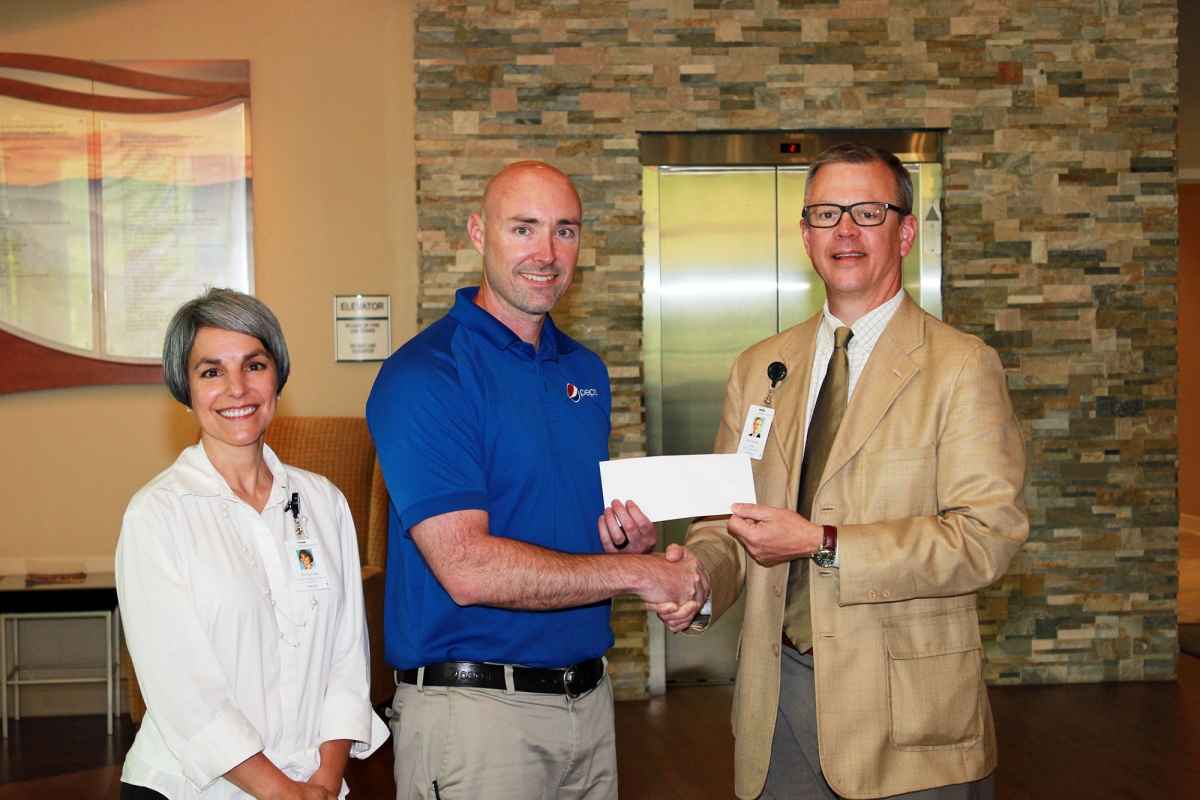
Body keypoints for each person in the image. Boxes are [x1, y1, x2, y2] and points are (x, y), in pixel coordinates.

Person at [661, 143, 1028, 799]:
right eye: (827, 214)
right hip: (777, 706)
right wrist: (697, 580)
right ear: (805, 234)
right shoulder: (758, 368)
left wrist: (823, 544)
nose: (846, 232)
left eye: (868, 211)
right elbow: (724, 521)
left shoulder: (962, 367)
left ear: (906, 231)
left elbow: (986, 538)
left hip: (909, 720)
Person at [367, 160, 709, 800]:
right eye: (523, 229)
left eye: (565, 231)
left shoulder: (584, 371)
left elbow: (552, 526)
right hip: (476, 718)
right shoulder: (425, 376)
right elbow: (467, 567)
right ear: (478, 233)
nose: (546, 253)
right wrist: (640, 575)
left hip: (589, 703)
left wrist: (624, 545)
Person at [116, 288, 388, 800]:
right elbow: (185, 691)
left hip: (316, 785)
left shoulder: (323, 503)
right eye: (212, 371)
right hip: (191, 790)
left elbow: (347, 657)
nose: (237, 388)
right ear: (187, 387)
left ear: (277, 376)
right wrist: (281, 792)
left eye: (254, 365)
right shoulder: (156, 516)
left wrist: (325, 781)